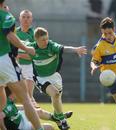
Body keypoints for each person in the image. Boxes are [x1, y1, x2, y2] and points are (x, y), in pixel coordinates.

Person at [28, 27, 87, 130]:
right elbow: (19, 48)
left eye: (47, 38)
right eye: (43, 40)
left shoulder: (51, 46)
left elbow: (64, 48)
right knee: (55, 93)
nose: (46, 41)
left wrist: (75, 49)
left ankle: (57, 116)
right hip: (40, 78)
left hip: (55, 76)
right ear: (36, 40)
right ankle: (62, 120)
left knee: (57, 97)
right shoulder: (32, 48)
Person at [0, 0, 44, 130]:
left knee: (1, 100)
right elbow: (9, 35)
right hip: (4, 60)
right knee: (26, 99)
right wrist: (27, 48)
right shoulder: (6, 16)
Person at [16, 10, 37, 106]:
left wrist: (19, 55)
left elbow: (33, 56)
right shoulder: (14, 32)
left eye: (28, 17)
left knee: (29, 96)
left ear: (31, 19)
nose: (26, 19)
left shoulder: (35, 34)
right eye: (23, 17)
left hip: (29, 67)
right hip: (14, 65)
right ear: (19, 19)